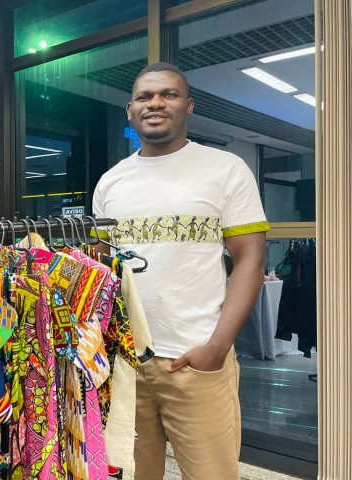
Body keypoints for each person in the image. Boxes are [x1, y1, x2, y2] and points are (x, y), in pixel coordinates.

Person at [92, 62, 268, 480]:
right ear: (130, 110)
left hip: (196, 359)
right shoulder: (111, 182)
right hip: (127, 362)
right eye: (144, 96)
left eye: (168, 94)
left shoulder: (225, 169)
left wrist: (217, 348)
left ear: (189, 106)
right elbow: (101, 267)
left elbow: (250, 260)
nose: (155, 103)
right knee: (136, 473)